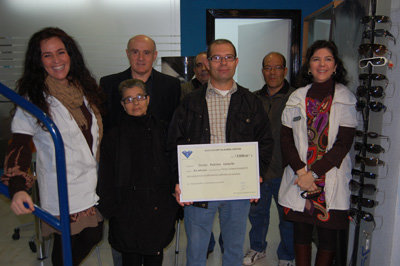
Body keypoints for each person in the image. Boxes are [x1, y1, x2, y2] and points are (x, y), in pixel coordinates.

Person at [1, 27, 104, 265]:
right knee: (72, 240)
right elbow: (20, 144)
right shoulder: (34, 98)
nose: (56, 60)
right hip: (62, 185)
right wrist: (17, 187)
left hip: (88, 180)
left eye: (61, 52)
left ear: (70, 55)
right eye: (47, 55)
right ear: (38, 61)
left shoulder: (82, 89)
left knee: (89, 235)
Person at [168, 39, 274, 266]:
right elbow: (174, 143)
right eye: (216, 57)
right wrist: (179, 180)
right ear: (207, 62)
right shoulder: (190, 102)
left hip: (236, 189)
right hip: (199, 188)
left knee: (234, 250)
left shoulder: (251, 102)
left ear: (236, 62)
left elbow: (265, 141)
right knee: (196, 251)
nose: (222, 63)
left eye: (228, 57)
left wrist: (256, 174)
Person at [278, 40, 357, 266]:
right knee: (301, 235)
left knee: (327, 239)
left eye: (328, 59)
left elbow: (343, 144)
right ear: (309, 66)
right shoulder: (296, 98)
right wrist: (302, 172)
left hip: (328, 177)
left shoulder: (346, 99)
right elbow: (286, 139)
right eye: (316, 59)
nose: (321, 64)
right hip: (300, 178)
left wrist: (312, 174)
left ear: (335, 66)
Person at [97, 79, 178, 266]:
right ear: (122, 105)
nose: (135, 103)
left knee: (154, 257)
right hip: (126, 212)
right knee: (130, 258)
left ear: (148, 99)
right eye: (129, 99)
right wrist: (110, 210)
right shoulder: (113, 137)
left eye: (140, 97)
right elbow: (105, 177)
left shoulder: (164, 130)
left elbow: (174, 166)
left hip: (157, 209)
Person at [243, 52, 295, 266]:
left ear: (285, 69)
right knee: (257, 215)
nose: (272, 72)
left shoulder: (296, 98)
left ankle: (287, 255)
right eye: (267, 67)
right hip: (259, 171)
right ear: (262, 71)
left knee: (288, 218)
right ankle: (257, 248)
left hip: (287, 170)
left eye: (277, 67)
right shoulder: (252, 99)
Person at [100, 34, 181, 132]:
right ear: (127, 54)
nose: (141, 58)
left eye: (146, 53)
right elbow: (104, 125)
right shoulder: (108, 84)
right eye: (135, 52)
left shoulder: (172, 85)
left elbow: (175, 126)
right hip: (120, 146)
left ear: (154, 55)